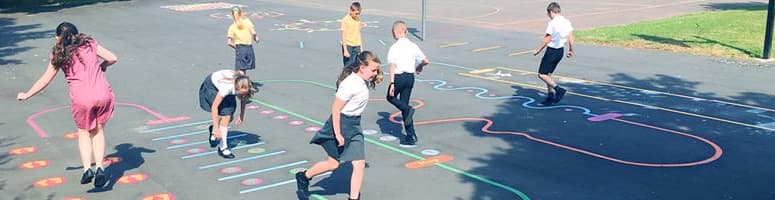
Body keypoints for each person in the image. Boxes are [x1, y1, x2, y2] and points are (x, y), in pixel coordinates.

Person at [17, 22, 118, 188]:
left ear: (58, 38)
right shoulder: (90, 44)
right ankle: (99, 167)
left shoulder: (59, 53)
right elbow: (113, 58)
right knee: (98, 131)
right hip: (102, 93)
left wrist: (27, 94)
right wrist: (103, 66)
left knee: (84, 133)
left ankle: (87, 169)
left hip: (82, 98)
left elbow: (46, 79)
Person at [295, 51, 383, 200]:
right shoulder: (350, 84)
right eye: (373, 70)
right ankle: (304, 176)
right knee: (333, 164)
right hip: (340, 124)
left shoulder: (364, 80)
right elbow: (336, 109)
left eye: (376, 70)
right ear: (362, 67)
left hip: (354, 125)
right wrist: (338, 133)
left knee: (359, 164)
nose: (375, 73)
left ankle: (354, 198)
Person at [386, 20, 429, 147]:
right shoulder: (413, 46)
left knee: (390, 97)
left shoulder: (394, 47)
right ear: (406, 32)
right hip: (410, 78)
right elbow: (426, 60)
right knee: (404, 104)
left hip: (399, 77)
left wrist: (392, 83)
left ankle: (408, 109)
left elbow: (392, 66)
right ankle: (410, 135)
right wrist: (420, 66)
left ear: (395, 33)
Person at [199, 69, 256, 159]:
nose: (242, 95)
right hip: (212, 86)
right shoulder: (226, 88)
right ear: (236, 89)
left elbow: (244, 98)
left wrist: (242, 114)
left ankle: (213, 131)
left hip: (226, 86)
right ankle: (223, 147)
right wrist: (216, 128)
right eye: (241, 93)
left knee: (229, 117)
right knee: (227, 115)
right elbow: (214, 107)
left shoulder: (245, 83)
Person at [532, 2, 574, 105]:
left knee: (542, 74)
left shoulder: (553, 23)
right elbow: (571, 36)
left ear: (551, 12)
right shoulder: (566, 21)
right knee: (548, 74)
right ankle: (550, 96)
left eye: (548, 14)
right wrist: (571, 49)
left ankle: (558, 90)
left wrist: (538, 50)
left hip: (552, 50)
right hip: (560, 50)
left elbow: (547, 38)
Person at [227, 6, 260, 75]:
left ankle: (241, 83)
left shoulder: (232, 27)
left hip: (240, 48)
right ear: (241, 13)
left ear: (232, 15)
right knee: (243, 68)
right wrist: (256, 38)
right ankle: (242, 81)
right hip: (249, 48)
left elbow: (229, 42)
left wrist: (236, 47)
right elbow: (254, 33)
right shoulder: (247, 21)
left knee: (240, 68)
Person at [341, 2, 363, 67]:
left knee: (356, 65)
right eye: (356, 13)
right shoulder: (345, 20)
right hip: (348, 45)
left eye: (359, 14)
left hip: (357, 46)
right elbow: (343, 35)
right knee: (347, 65)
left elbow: (358, 33)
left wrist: (361, 47)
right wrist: (345, 50)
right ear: (351, 11)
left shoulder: (358, 19)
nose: (358, 15)